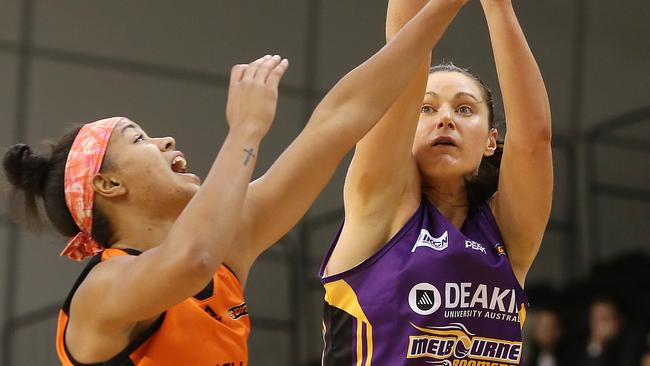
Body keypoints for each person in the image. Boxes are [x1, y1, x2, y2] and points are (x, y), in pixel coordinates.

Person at [2, 1, 468, 364]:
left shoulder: (225, 250)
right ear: (108, 185)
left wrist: (446, 6)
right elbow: (192, 258)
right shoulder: (102, 291)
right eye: (139, 138)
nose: (165, 141)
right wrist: (245, 129)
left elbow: (338, 120)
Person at [319, 0, 552, 364]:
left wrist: (498, 6)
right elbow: (401, 50)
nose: (445, 119)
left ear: (491, 140)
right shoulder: (379, 209)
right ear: (404, 130)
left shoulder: (506, 233)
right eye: (426, 108)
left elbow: (534, 137)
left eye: (464, 109)